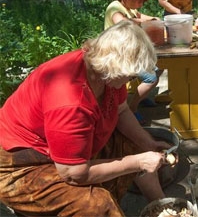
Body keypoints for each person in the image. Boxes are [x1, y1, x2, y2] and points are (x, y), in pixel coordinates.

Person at [0, 20, 171, 216]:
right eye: (131, 76)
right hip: (20, 165)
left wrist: (148, 144)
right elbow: (74, 174)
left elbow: (122, 110)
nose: (132, 80)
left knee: (137, 144)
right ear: (115, 67)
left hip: (62, 148)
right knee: (98, 205)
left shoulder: (106, 71)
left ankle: (163, 207)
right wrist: (139, 162)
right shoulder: (70, 101)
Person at [105, 0, 162, 125]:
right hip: (119, 53)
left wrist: (155, 20)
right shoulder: (115, 7)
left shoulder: (128, 8)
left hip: (131, 50)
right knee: (151, 78)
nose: (141, 5)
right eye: (139, 1)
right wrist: (140, 21)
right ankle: (132, 108)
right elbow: (123, 22)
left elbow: (141, 16)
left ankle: (141, 97)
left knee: (158, 67)